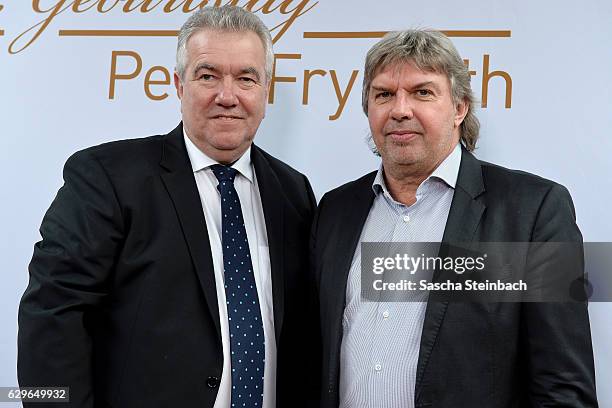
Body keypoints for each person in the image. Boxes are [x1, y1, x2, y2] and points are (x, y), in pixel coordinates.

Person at [18, 6, 316, 408]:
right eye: (207, 75)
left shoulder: (293, 192)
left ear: (266, 91)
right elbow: (52, 315)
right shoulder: (108, 178)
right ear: (178, 85)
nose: (227, 96)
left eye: (246, 78)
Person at [310, 29, 598, 407]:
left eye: (422, 92)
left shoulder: (534, 211)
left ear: (460, 107)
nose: (400, 110)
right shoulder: (334, 211)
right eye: (383, 94)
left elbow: (564, 386)